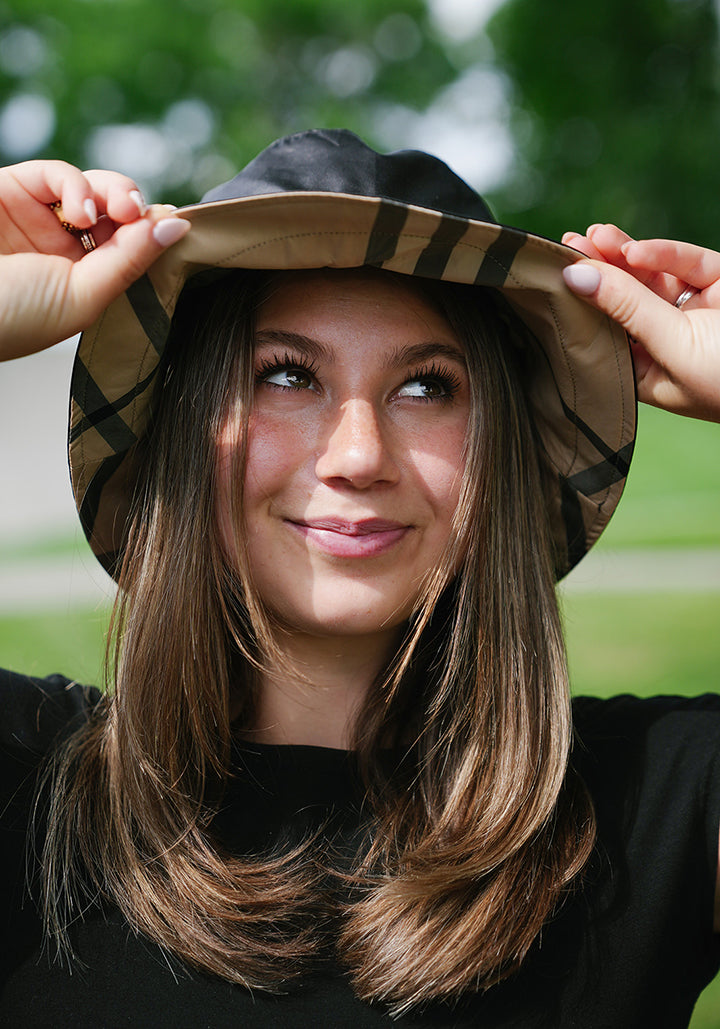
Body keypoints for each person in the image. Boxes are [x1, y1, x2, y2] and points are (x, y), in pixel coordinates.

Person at [0, 129, 718, 1028]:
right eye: (287, 374)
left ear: (496, 452)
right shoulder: (26, 787)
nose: (357, 456)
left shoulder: (655, 807)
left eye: (425, 388)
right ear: (186, 432)